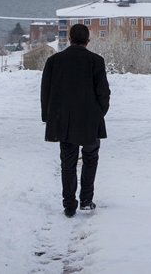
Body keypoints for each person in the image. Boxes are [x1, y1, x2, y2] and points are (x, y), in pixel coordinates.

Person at [41, 23, 111, 217]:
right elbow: (103, 93)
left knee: (68, 162)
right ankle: (86, 200)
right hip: (90, 120)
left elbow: (45, 92)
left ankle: (69, 204)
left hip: (63, 121)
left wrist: (49, 118)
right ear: (88, 40)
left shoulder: (54, 61)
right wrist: (99, 114)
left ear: (70, 38)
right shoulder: (96, 61)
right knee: (90, 158)